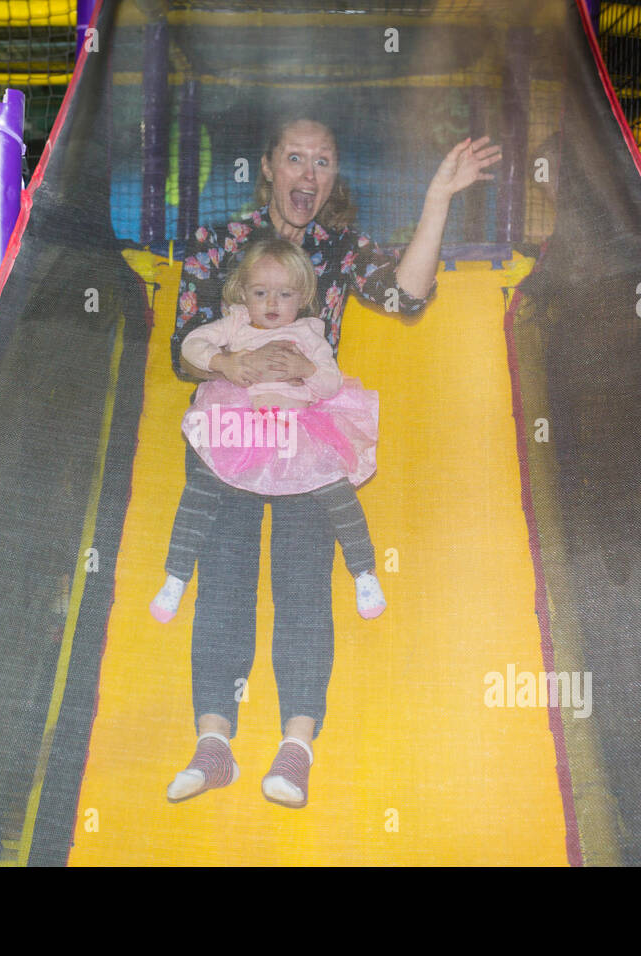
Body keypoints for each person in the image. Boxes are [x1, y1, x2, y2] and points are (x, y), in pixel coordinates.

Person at [167, 114, 501, 808]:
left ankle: (295, 748)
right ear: (268, 167)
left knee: (301, 592)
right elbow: (183, 348)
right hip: (231, 440)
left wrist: (436, 200)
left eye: (323, 162)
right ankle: (215, 741)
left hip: (305, 444)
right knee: (223, 582)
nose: (309, 176)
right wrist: (240, 359)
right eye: (296, 159)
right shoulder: (220, 243)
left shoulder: (339, 249)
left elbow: (405, 294)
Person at [152, 238, 386, 625]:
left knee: (337, 492)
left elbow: (331, 383)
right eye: (261, 293)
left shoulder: (309, 334)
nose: (273, 304)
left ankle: (364, 572)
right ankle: (176, 576)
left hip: (297, 431)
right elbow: (192, 344)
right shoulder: (238, 323)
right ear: (243, 293)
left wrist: (306, 370)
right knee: (201, 488)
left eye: (284, 294)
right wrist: (223, 362)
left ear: (303, 296)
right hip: (244, 425)